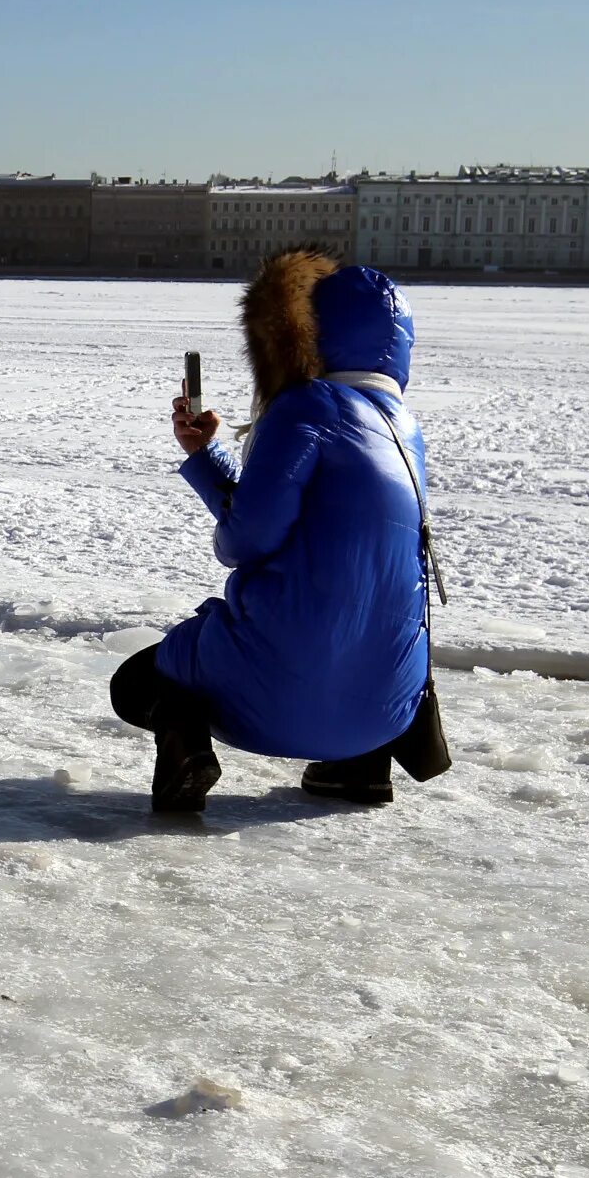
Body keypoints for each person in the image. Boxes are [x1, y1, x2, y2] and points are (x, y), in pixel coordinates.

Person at [111, 247, 449, 812]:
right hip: (388, 708)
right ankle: (357, 771)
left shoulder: (308, 406)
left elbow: (249, 538)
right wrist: (208, 455)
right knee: (362, 612)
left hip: (283, 694)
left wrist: (226, 529)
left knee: (140, 682)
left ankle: (187, 751)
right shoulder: (404, 428)